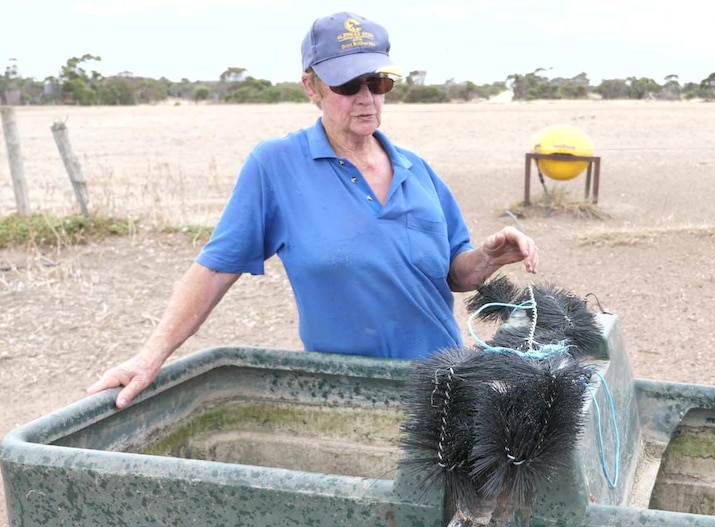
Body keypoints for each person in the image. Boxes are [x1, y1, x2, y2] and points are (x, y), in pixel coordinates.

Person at [87, 11, 539, 409]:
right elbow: (214, 269)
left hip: (441, 387)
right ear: (312, 87)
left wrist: (488, 258)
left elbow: (455, 275)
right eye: (346, 84)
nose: (366, 97)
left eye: (377, 82)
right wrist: (150, 358)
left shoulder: (415, 169)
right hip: (344, 396)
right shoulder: (276, 167)